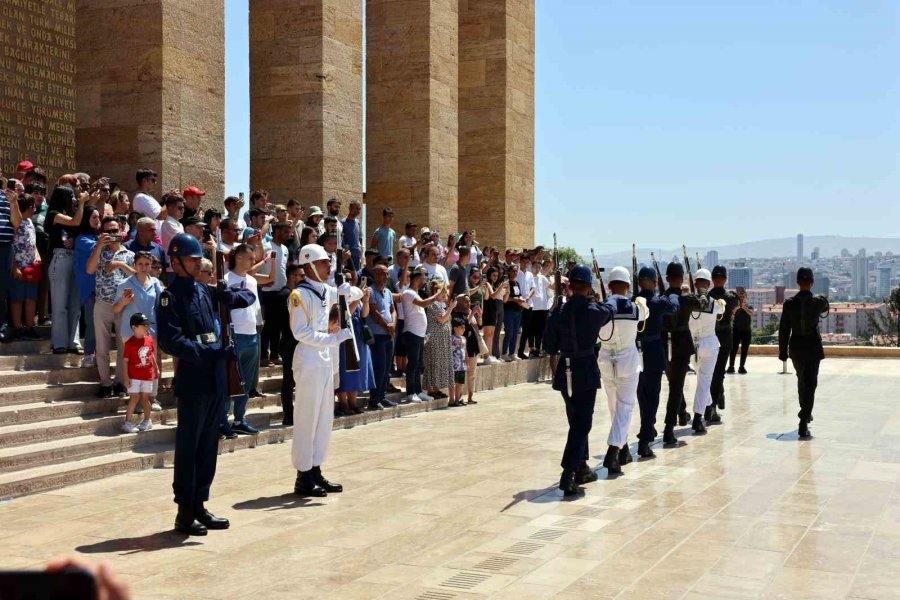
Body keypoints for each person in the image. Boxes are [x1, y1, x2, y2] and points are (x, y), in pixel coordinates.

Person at [157, 233, 257, 535]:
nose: (197, 263)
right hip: (194, 378)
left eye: (198, 259)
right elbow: (172, 342)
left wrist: (232, 296)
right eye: (191, 260)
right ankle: (184, 511)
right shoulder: (169, 297)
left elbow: (247, 298)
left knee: (208, 445)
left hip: (216, 377)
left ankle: (201, 503)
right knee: (190, 444)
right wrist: (213, 351)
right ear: (175, 262)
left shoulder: (203, 290)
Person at [544, 265, 617, 495]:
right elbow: (608, 311)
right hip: (584, 369)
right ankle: (568, 473)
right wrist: (595, 297)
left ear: (569, 287)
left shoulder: (559, 312)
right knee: (582, 423)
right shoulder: (593, 310)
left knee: (575, 421)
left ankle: (582, 466)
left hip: (565, 369)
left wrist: (556, 311)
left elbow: (550, 346)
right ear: (588, 287)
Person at [288, 243, 354, 497]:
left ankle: (316, 468)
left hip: (326, 359)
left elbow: (344, 303)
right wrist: (333, 339)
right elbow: (300, 332)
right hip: (309, 359)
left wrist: (348, 293)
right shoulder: (299, 295)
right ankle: (303, 474)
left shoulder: (327, 291)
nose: (329, 266)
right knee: (307, 417)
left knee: (324, 418)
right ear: (309, 266)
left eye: (328, 262)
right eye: (324, 262)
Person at [597, 267, 649, 475]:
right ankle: (613, 451)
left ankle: (623, 448)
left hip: (606, 360)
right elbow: (646, 312)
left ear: (609, 286)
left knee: (613, 406)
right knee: (625, 407)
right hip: (627, 360)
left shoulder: (601, 308)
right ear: (628, 286)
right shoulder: (636, 309)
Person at [87, 217, 135, 398]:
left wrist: (120, 265)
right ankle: (105, 382)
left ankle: (121, 382)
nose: (112, 235)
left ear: (121, 231)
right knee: (102, 346)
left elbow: (138, 276)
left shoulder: (129, 255)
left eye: (115, 231)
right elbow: (90, 270)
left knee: (124, 347)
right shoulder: (97, 251)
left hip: (124, 306)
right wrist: (99, 246)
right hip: (103, 304)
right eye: (108, 231)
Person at [779, 267, 829, 438]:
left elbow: (783, 329)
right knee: (811, 383)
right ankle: (804, 418)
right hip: (812, 346)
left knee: (802, 381)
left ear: (797, 283)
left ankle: (805, 413)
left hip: (796, 346)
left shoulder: (789, 304)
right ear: (812, 283)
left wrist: (782, 352)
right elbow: (825, 303)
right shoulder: (817, 303)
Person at [634, 266, 679, 458]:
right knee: (652, 397)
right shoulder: (659, 302)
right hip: (653, 352)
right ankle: (645, 438)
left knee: (642, 395)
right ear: (654, 283)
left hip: (635, 353)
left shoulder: (632, 302)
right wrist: (674, 294)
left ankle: (648, 427)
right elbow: (674, 308)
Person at [113, 251, 164, 411]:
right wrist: (124, 301)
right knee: (135, 365)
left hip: (151, 329)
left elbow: (160, 306)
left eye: (147, 264)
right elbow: (115, 309)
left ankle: (150, 398)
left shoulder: (155, 282)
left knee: (150, 363)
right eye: (140, 264)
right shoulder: (125, 283)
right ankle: (135, 399)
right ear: (134, 265)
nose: (143, 267)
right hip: (130, 331)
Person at [660, 262, 704, 445]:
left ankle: (681, 413)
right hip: (681, 346)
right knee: (676, 388)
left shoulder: (661, 300)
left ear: (668, 279)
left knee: (673, 384)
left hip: (665, 345)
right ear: (682, 279)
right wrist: (698, 291)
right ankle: (669, 428)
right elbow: (703, 303)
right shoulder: (687, 299)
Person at [223, 244, 263, 437]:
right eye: (250, 258)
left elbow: (255, 309)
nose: (253, 262)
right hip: (234, 335)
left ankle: (239, 419)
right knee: (231, 380)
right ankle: (223, 420)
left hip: (251, 334)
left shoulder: (253, 281)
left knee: (246, 382)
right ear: (238, 258)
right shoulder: (226, 280)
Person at [47, 185, 89, 353]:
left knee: (74, 304)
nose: (73, 199)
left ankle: (73, 341)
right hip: (60, 258)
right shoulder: (53, 214)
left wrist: (75, 239)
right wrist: (81, 203)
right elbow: (75, 222)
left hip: (75, 259)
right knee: (59, 304)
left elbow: (80, 226)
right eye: (70, 196)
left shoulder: (73, 212)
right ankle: (59, 342)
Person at [687, 269, 726, 434]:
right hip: (709, 344)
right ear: (709, 284)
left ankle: (707, 405)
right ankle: (698, 417)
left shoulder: (687, 302)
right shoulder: (716, 304)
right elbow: (722, 311)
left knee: (702, 379)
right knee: (704, 382)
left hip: (693, 345)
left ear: (695, 284)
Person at [400, 268, 441, 403]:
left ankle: (418, 391)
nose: (425, 281)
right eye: (423, 278)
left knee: (418, 363)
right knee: (412, 364)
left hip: (419, 334)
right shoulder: (408, 292)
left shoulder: (415, 292)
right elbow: (423, 304)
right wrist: (437, 294)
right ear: (417, 279)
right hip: (411, 333)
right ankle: (410, 392)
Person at [336, 281, 375, 415]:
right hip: (345, 339)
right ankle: (343, 403)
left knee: (357, 371)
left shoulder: (356, 297)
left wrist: (366, 300)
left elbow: (364, 315)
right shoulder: (340, 298)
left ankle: (353, 402)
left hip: (358, 337)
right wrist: (358, 297)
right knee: (344, 370)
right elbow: (346, 314)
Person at [707, 265, 739, 423]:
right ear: (725, 279)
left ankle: (714, 400)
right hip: (725, 337)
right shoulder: (731, 298)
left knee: (709, 372)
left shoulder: (707, 297)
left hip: (710, 336)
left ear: (712, 279)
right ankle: (713, 403)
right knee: (719, 372)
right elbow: (735, 304)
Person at [273, 264, 303, 425]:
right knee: (289, 380)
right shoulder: (284, 295)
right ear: (292, 276)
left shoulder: (300, 294)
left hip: (301, 342)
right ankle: (288, 414)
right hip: (289, 342)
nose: (302, 278)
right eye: (300, 275)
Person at [120, 313, 159, 433]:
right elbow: (125, 361)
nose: (147, 327)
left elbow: (151, 354)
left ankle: (147, 421)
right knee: (134, 397)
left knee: (145, 398)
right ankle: (127, 422)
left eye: (147, 325)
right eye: (144, 325)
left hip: (147, 375)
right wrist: (126, 377)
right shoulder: (129, 343)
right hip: (134, 376)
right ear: (134, 327)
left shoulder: (149, 339)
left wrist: (156, 368)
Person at [10, 194, 41, 340]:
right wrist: (14, 266)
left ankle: (30, 327)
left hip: (31, 268)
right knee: (17, 299)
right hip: (18, 268)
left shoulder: (29, 222)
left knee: (31, 298)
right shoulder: (16, 222)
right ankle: (17, 328)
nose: (35, 208)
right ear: (29, 207)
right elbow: (11, 246)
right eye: (33, 206)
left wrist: (37, 254)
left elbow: (32, 242)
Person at [367, 264, 398, 410]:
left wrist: (393, 323)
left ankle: (382, 396)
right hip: (378, 334)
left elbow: (393, 310)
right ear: (375, 275)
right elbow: (373, 312)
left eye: (387, 274)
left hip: (388, 334)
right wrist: (387, 326)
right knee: (379, 367)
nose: (386, 277)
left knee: (386, 368)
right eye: (383, 274)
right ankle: (374, 399)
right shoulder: (370, 291)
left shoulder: (388, 292)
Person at [74, 208, 101, 366]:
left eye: (98, 217)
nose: (97, 220)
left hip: (102, 288)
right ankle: (89, 353)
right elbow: (96, 248)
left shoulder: (96, 236)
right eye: (93, 217)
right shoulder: (81, 239)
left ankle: (99, 353)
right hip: (90, 289)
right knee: (91, 323)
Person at [423, 280, 457, 404]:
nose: (445, 295)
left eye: (445, 293)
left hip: (443, 339)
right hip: (435, 339)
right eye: (442, 292)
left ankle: (436, 388)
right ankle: (430, 389)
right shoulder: (433, 304)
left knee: (438, 363)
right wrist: (451, 308)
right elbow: (442, 320)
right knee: (433, 362)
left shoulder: (442, 305)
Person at [501, 264, 529, 361]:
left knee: (515, 333)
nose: (515, 273)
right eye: (513, 271)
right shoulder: (506, 283)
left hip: (518, 311)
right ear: (509, 272)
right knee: (509, 333)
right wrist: (515, 300)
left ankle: (512, 353)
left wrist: (521, 300)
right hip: (509, 311)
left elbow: (519, 295)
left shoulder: (517, 283)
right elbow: (505, 298)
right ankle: (504, 353)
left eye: (516, 271)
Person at [482, 266, 508, 363]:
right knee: (487, 335)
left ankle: (490, 355)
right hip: (488, 311)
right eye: (493, 275)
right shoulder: (488, 283)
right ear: (489, 275)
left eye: (497, 276)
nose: (495, 277)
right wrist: (501, 286)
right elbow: (492, 296)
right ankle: (486, 356)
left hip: (493, 311)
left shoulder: (494, 285)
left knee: (491, 335)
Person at [528, 259, 553, 357]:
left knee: (540, 330)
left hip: (543, 308)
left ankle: (537, 349)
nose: (537, 269)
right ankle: (531, 349)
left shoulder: (542, 277)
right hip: (532, 307)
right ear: (532, 267)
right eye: (535, 267)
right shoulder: (529, 277)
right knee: (531, 330)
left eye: (539, 267)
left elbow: (551, 286)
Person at [728, 288, 754, 374]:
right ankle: (731, 366)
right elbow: (733, 313)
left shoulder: (749, 306)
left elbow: (752, 314)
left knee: (744, 349)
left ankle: (741, 366)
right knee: (733, 349)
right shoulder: (736, 306)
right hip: (736, 330)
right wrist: (739, 306)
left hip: (746, 331)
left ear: (746, 297)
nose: (742, 298)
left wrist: (744, 308)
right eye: (741, 296)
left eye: (744, 296)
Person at [516, 252, 536, 359]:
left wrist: (528, 297)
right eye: (523, 262)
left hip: (528, 304)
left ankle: (521, 351)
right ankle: (510, 352)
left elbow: (533, 288)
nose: (525, 264)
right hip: (517, 304)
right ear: (520, 261)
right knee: (515, 329)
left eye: (527, 262)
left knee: (526, 330)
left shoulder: (530, 274)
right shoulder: (516, 272)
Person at [450, 318, 468, 405]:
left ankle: (457, 400)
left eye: (464, 328)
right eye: (462, 327)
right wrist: (455, 345)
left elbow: (466, 352)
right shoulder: (451, 338)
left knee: (460, 383)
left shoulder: (464, 339)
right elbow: (448, 350)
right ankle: (452, 399)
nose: (464, 329)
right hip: (453, 365)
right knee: (453, 383)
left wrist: (467, 363)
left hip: (462, 365)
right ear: (455, 328)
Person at [342, 199, 362, 271]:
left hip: (357, 256)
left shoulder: (357, 222)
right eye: (356, 208)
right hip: (348, 257)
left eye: (359, 209)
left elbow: (359, 238)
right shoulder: (342, 223)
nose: (358, 211)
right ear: (350, 208)